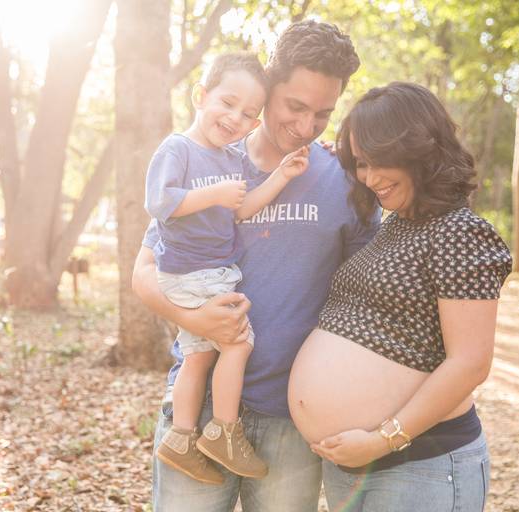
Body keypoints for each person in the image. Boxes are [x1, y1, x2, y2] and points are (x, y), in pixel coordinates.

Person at [133, 20, 378, 511]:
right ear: (267, 90)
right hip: (196, 409)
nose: (307, 127)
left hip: (292, 415)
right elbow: (143, 271)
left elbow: (366, 298)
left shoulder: (346, 183)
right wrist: (193, 319)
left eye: (323, 114)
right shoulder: (203, 161)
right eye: (296, 107)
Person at [288, 82, 513, 511]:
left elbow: (470, 363)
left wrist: (380, 440)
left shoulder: (460, 232)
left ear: (415, 147)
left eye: (378, 161)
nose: (369, 179)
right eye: (361, 164)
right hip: (357, 466)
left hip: (419, 463)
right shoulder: (395, 226)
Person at [146, 52, 310, 485]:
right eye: (227, 102)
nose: (235, 118)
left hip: (209, 271)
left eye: (248, 114)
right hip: (190, 270)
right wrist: (212, 193)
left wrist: (281, 176)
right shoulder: (177, 148)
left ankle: (181, 438)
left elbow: (240, 210)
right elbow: (159, 204)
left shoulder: (230, 161)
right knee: (237, 344)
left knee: (199, 355)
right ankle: (224, 431)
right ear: (201, 96)